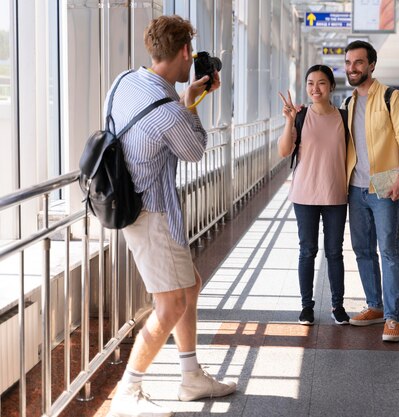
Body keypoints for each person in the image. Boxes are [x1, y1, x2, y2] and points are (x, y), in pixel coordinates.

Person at [107, 15, 236, 417]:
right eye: (191, 57)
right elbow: (194, 148)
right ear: (183, 52)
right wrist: (192, 106)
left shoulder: (126, 80)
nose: (191, 64)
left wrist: (184, 99)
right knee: (171, 305)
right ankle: (128, 391)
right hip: (153, 213)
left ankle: (191, 375)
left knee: (189, 286)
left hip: (132, 202)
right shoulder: (169, 109)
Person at [343, 40, 399, 342]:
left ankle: (393, 318)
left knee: (388, 248)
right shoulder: (348, 103)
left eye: (358, 62)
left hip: (385, 182)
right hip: (355, 187)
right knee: (362, 249)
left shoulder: (391, 96)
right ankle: (374, 305)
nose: (352, 68)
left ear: (371, 65)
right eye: (348, 63)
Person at [277, 65, 350, 326]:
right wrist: (288, 121)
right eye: (310, 83)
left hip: (336, 194)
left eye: (321, 83)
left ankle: (337, 306)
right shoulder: (300, 115)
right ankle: (306, 307)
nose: (315, 88)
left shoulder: (343, 117)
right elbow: (284, 151)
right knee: (307, 251)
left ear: (331, 86)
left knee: (334, 252)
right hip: (305, 194)